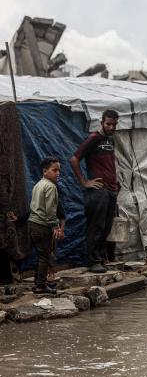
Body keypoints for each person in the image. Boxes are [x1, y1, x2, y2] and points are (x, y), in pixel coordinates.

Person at [70, 109, 119, 273]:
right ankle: (93, 261)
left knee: (106, 227)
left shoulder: (110, 140)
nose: (111, 127)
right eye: (108, 124)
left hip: (111, 190)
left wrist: (115, 182)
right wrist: (84, 182)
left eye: (114, 124)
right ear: (102, 123)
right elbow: (74, 159)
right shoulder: (94, 138)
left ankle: (101, 258)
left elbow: (108, 164)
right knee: (96, 227)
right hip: (98, 191)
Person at [26, 157, 64, 294]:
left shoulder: (38, 184)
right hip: (42, 226)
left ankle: (38, 283)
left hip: (32, 224)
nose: (58, 173)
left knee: (41, 256)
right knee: (44, 257)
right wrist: (56, 226)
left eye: (59, 170)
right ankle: (41, 286)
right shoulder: (50, 186)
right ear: (45, 171)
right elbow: (50, 210)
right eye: (54, 170)